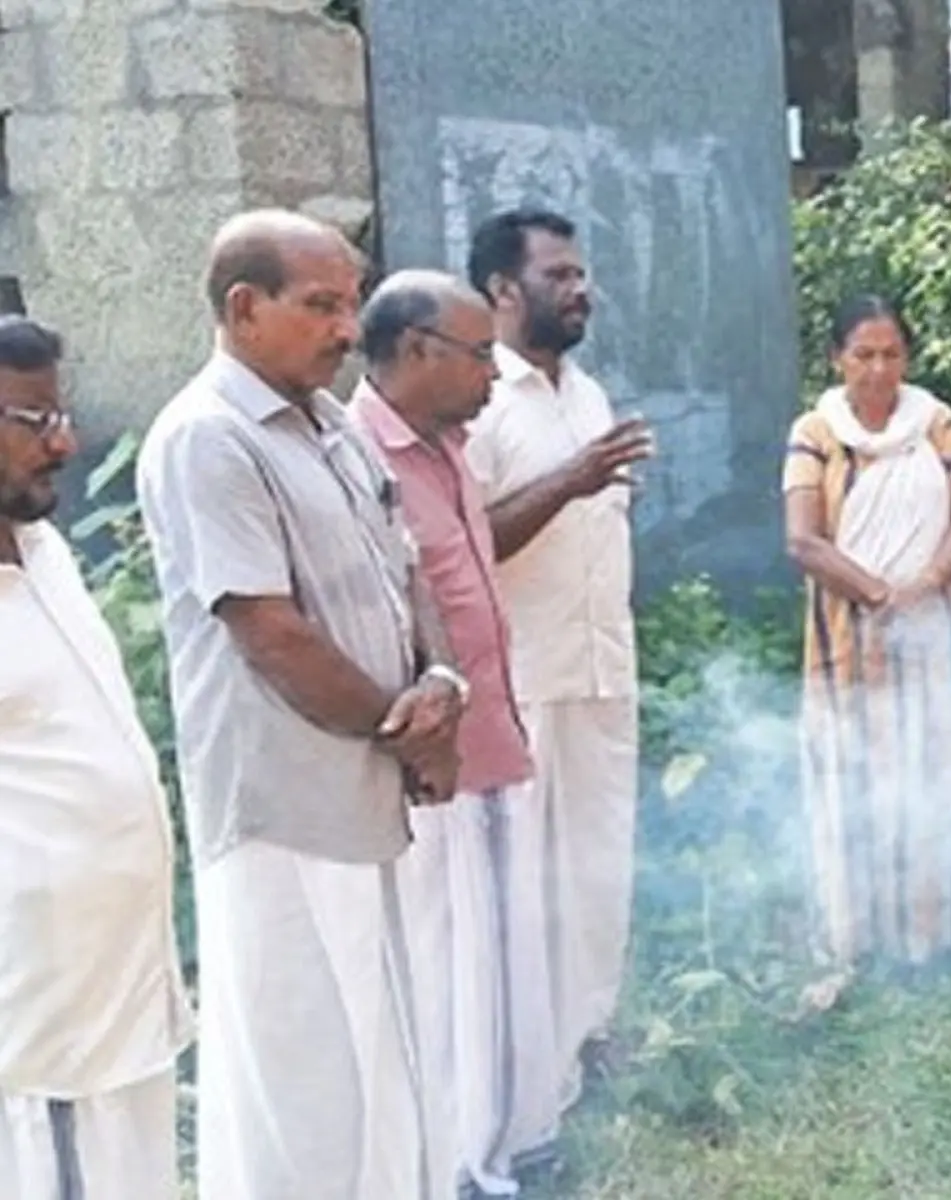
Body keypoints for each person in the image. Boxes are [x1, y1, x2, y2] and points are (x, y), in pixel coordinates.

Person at [138, 209, 465, 1199]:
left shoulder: (331, 424)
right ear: (244, 308)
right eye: (320, 304)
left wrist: (442, 688)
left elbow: (407, 570)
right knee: (304, 1079)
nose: (345, 328)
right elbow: (271, 634)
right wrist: (403, 735)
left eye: (348, 303)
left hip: (368, 794)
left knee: (387, 1056)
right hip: (288, 805)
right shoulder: (209, 439)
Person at [463, 207, 655, 1158]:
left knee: (594, 870)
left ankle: (583, 1045)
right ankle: (520, 1087)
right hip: (524, 684)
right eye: (561, 276)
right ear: (503, 291)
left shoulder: (587, 390)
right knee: (522, 891)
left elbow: (596, 507)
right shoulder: (476, 400)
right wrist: (576, 480)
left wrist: (605, 490)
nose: (582, 290)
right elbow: (464, 542)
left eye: (582, 275)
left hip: (598, 671)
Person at [351, 270, 536, 1196]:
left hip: (493, 740)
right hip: (433, 764)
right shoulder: (360, 455)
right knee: (438, 961)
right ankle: (450, 1167)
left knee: (490, 959)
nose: (495, 376)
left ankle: (486, 1153)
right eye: (479, 355)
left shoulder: (447, 443)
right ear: (419, 350)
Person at [0, 317, 193, 1200]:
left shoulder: (43, 551)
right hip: (46, 1012)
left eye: (60, 415)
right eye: (33, 422)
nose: (66, 442)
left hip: (122, 972)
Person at [785, 295, 951, 968]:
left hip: (933, 634)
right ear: (836, 358)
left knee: (934, 775)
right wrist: (881, 596)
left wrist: (926, 584)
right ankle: (859, 940)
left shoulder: (934, 422)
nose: (878, 370)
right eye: (863, 354)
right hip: (849, 639)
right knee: (856, 780)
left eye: (891, 354)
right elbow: (802, 541)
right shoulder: (816, 432)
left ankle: (934, 935)